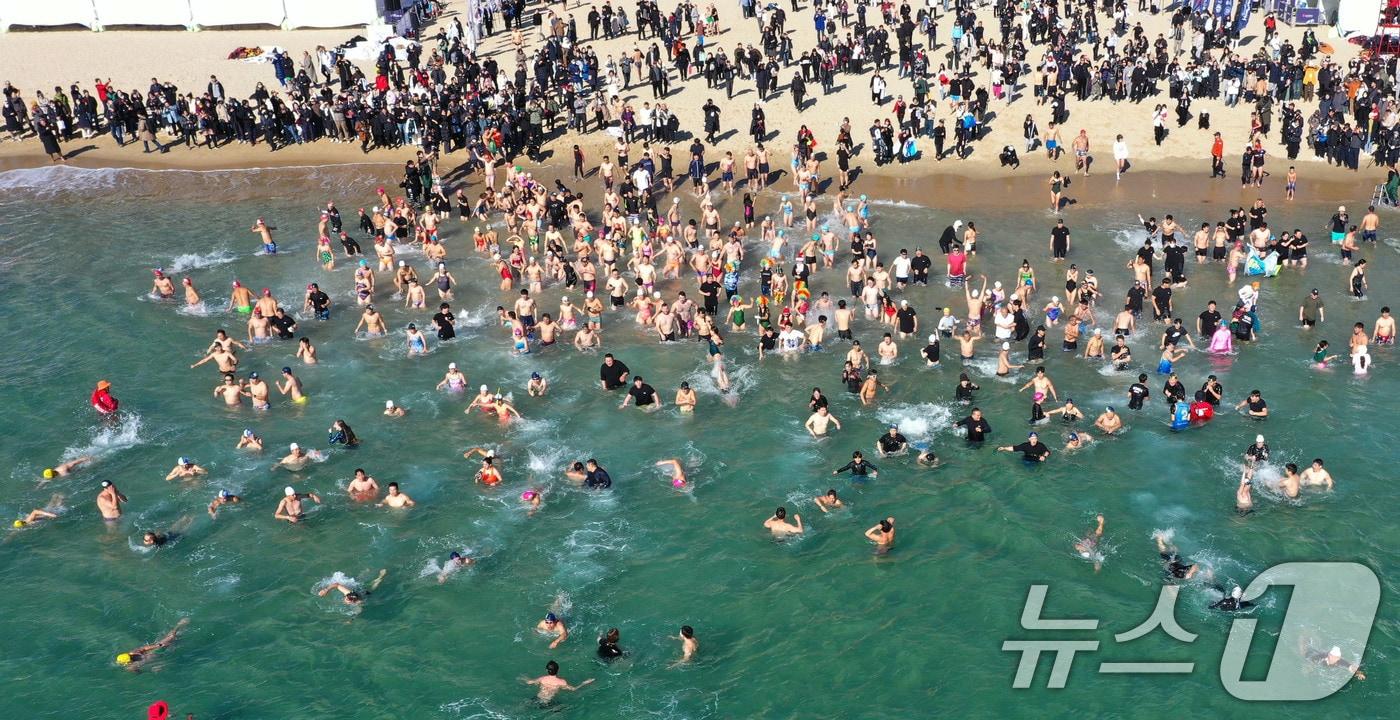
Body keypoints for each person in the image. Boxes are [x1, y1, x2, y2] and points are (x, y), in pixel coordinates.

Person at [115, 618, 188, 672]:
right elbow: (140, 672)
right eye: (130, 659)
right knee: (175, 645)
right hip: (157, 659)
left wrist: (158, 646)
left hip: (155, 651)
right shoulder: (131, 667)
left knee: (170, 638)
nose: (131, 657)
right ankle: (180, 637)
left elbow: (144, 648)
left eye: (130, 657)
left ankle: (179, 625)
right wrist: (153, 669)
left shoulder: (133, 653)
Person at [524, 660, 594, 703]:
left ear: (546, 670)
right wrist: (585, 683)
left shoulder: (542, 678)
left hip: (537, 699)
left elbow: (529, 682)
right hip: (548, 702)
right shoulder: (561, 682)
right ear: (558, 670)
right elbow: (574, 689)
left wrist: (524, 678)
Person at [318, 569, 387, 605]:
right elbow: (337, 584)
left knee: (372, 587)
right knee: (360, 583)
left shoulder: (357, 602)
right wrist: (326, 590)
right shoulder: (348, 593)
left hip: (364, 593)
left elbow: (358, 611)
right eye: (346, 599)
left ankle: (381, 576)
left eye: (346, 600)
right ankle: (376, 575)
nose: (345, 600)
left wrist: (351, 620)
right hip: (358, 590)